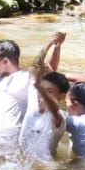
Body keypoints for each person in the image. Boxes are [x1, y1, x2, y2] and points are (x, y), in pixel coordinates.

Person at [18, 32, 70, 162]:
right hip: (24, 165)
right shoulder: (33, 101)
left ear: (62, 96)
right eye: (42, 90)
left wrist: (39, 87)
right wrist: (50, 43)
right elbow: (35, 66)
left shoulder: (59, 117)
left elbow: (53, 108)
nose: (43, 95)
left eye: (50, 91)